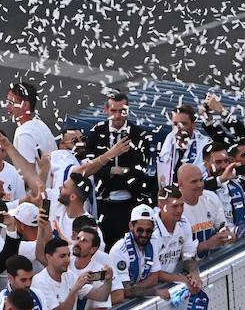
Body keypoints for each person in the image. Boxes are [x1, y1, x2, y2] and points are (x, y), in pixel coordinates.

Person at [84, 90, 154, 242]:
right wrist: (113, 170)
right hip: (103, 204)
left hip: (129, 204)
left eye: (122, 111)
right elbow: (89, 167)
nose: (117, 116)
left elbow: (138, 174)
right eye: (113, 111)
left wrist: (110, 173)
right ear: (106, 110)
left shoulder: (138, 135)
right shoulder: (97, 132)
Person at [156, 103, 211, 188]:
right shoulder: (169, 139)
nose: (178, 128)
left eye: (183, 124)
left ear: (193, 125)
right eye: (175, 124)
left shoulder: (205, 144)